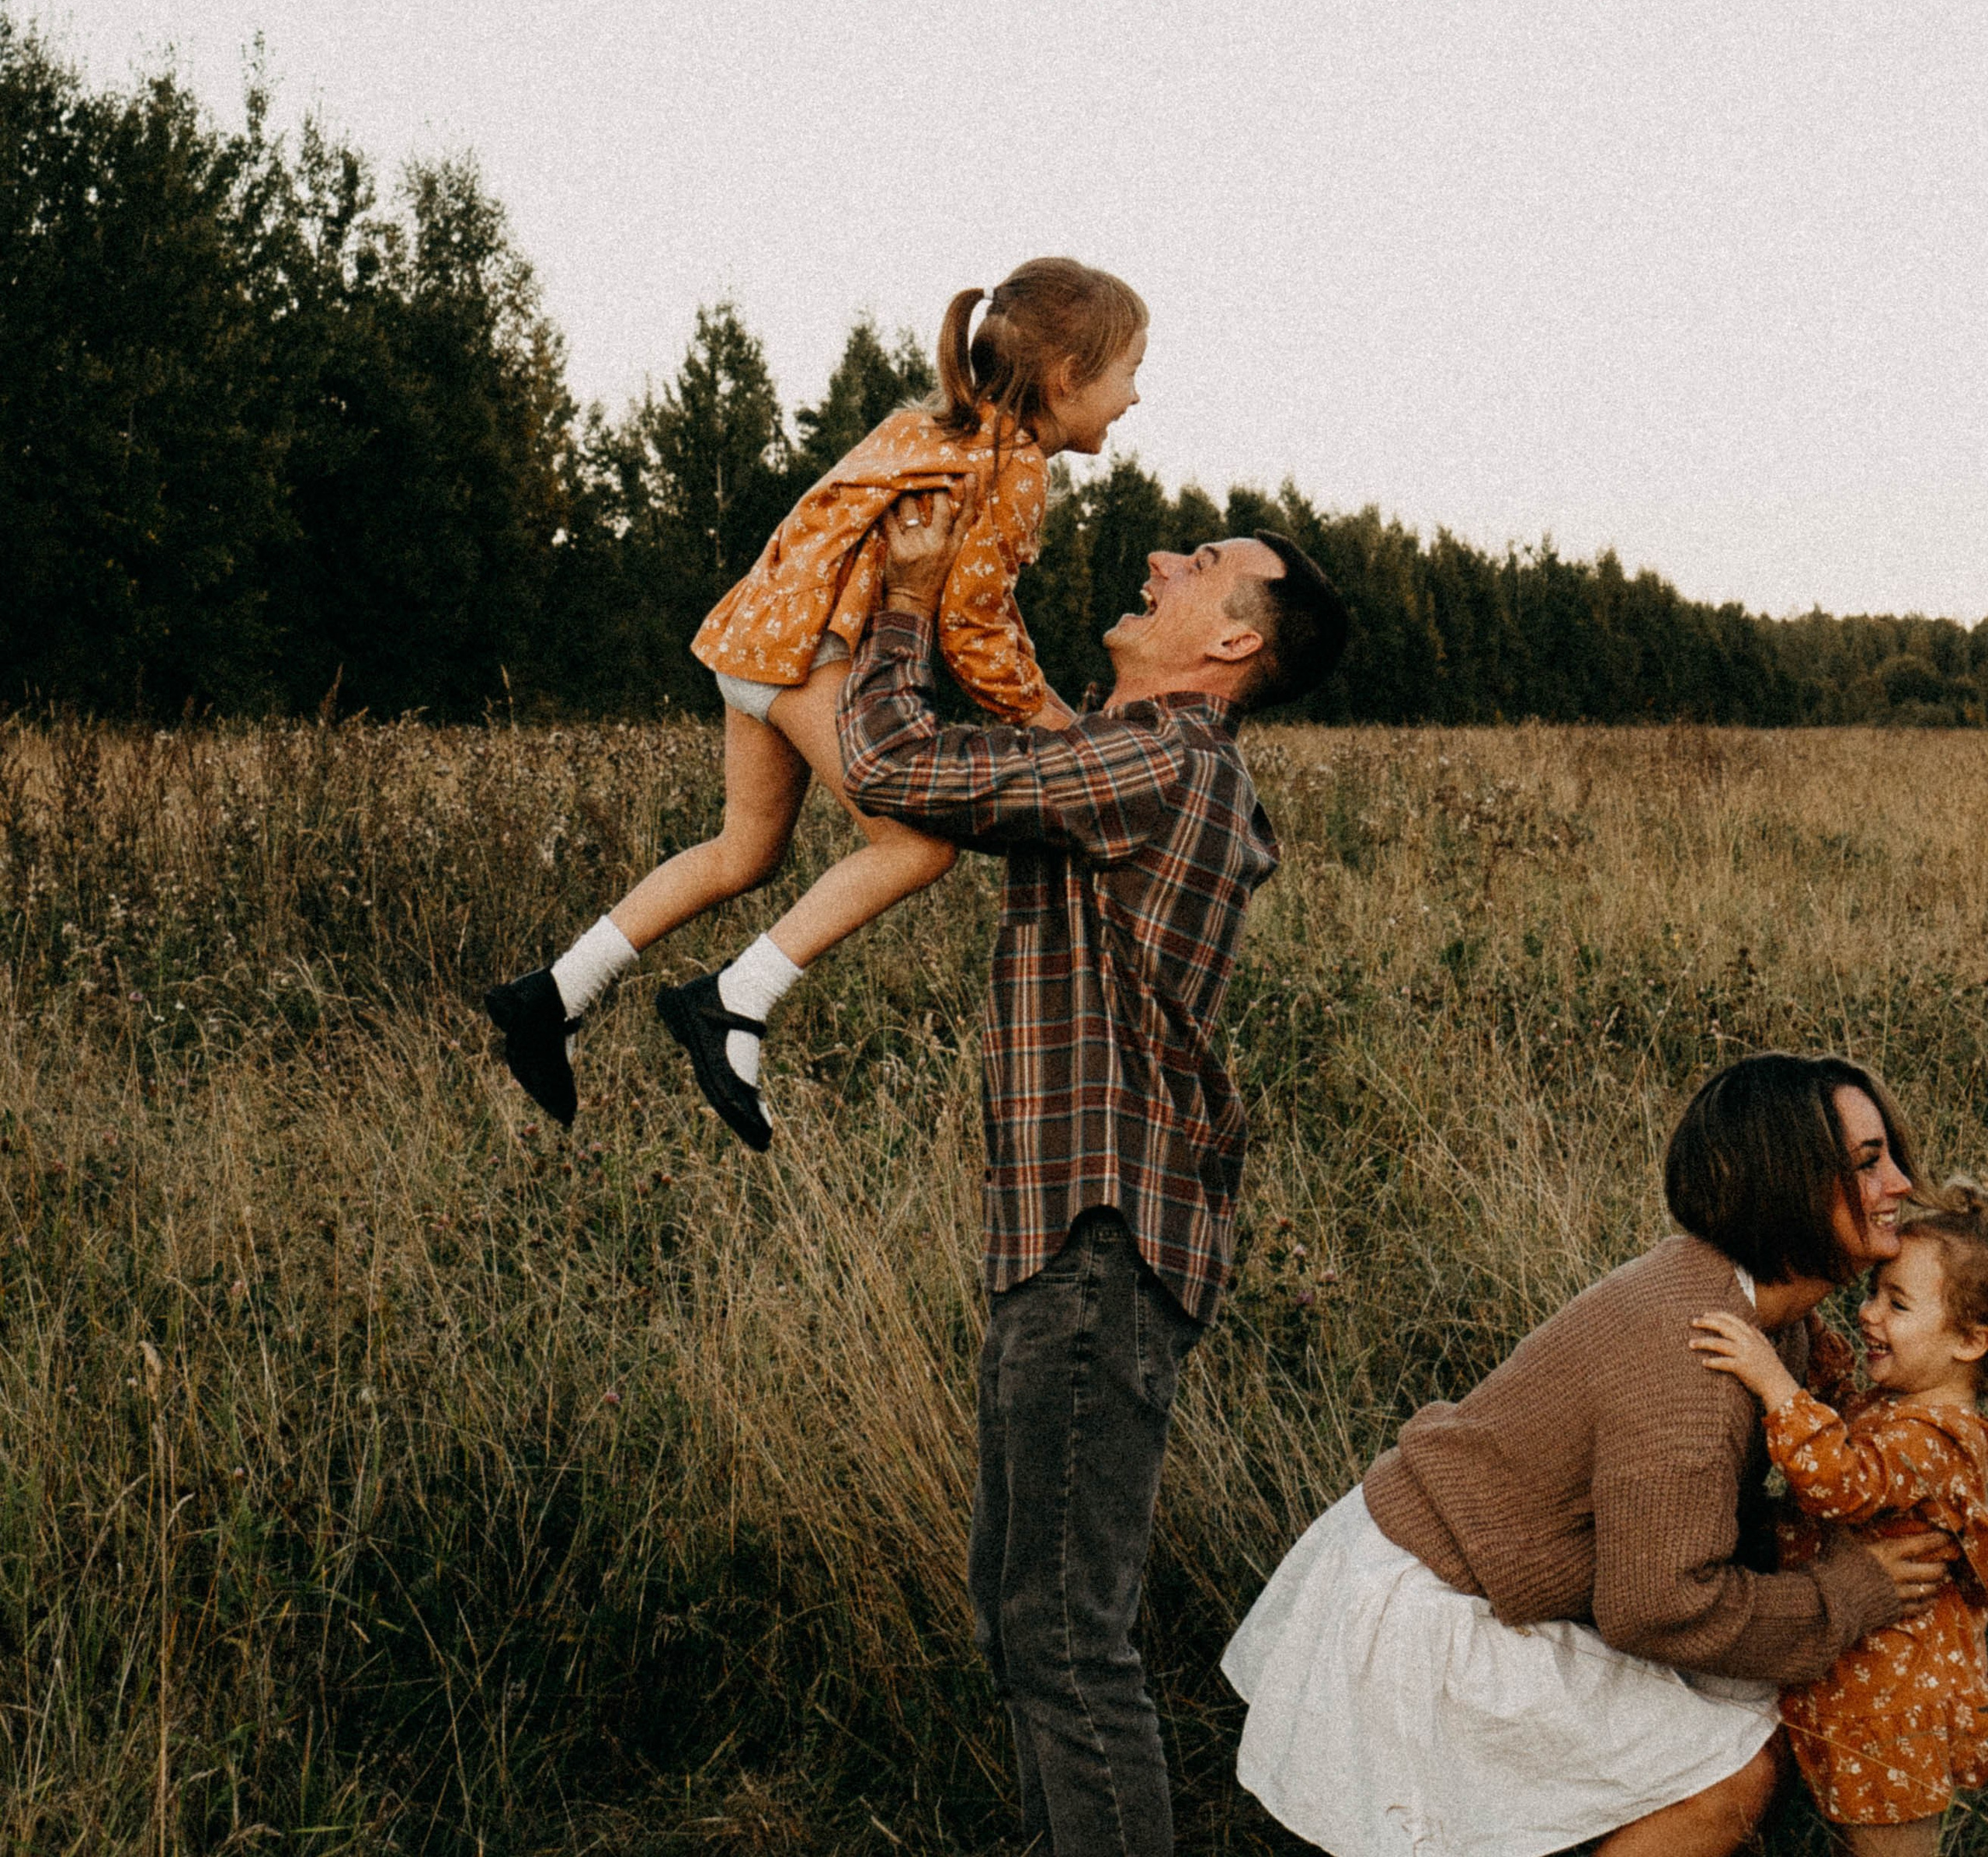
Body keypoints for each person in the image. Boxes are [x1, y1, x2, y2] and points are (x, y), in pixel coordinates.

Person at [836, 480, 1351, 1857]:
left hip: (1098, 1243)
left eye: (1203, 561)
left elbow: (896, 768)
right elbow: (1009, 741)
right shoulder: (1128, 755)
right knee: (1028, 1622)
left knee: (1064, 1636)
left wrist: (903, 606)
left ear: (1235, 641)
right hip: (1071, 1245)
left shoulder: (1162, 762)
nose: (1162, 557)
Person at [1222, 1052, 1956, 1857]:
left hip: (1475, 1571)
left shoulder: (1754, 1307)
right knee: (1738, 1770)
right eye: (1867, 1163)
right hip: (1429, 1611)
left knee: (1757, 1701)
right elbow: (1658, 1608)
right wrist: (1846, 1594)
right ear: (1789, 1187)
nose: (1899, 1183)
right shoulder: (1692, 1360)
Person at [484, 258, 1147, 1143]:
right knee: (918, 846)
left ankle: (553, 993)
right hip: (806, 656)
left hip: (752, 638)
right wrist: (1066, 732)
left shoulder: (929, 429)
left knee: (744, 853)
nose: (1134, 397)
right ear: (1067, 377)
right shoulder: (1013, 466)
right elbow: (975, 633)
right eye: (1129, 372)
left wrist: (1048, 708)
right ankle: (733, 1000)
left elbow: (977, 611)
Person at [1694, 1186, 1988, 1855]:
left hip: (1896, 1710)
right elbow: (1839, 1412)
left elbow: (1843, 1483)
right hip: (1853, 1689)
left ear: (1970, 1341)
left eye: (1897, 1303)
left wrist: (1774, 1383)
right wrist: (1805, 1324)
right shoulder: (1899, 1407)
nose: (1869, 1312)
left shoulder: (1945, 1439)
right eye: (1873, 1292)